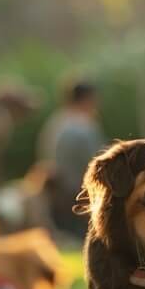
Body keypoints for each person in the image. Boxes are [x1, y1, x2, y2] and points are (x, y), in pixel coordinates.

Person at [38, 78, 106, 242]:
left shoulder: (55, 123)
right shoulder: (84, 126)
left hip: (56, 194)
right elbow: (99, 162)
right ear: (88, 99)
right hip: (80, 195)